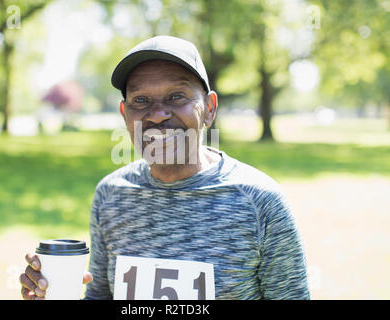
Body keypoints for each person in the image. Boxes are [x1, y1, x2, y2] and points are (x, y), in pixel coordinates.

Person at [20, 35, 310, 300]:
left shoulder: (260, 202)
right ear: (125, 115)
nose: (157, 115)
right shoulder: (110, 195)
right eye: (141, 100)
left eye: (176, 96)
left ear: (209, 109)